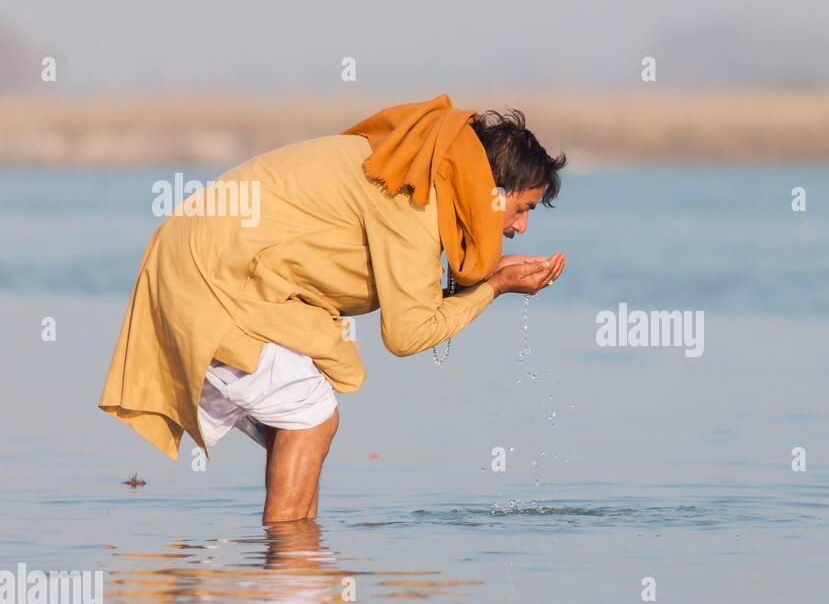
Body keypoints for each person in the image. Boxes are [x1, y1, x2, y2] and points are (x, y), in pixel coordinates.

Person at [99, 96, 567, 523]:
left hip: (208, 271)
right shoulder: (413, 198)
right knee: (311, 415)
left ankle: (289, 585)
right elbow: (407, 334)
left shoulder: (420, 168)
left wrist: (482, 283)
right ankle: (292, 569)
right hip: (212, 279)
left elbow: (414, 301)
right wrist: (494, 287)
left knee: (301, 419)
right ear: (493, 191)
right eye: (522, 208)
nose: (521, 228)